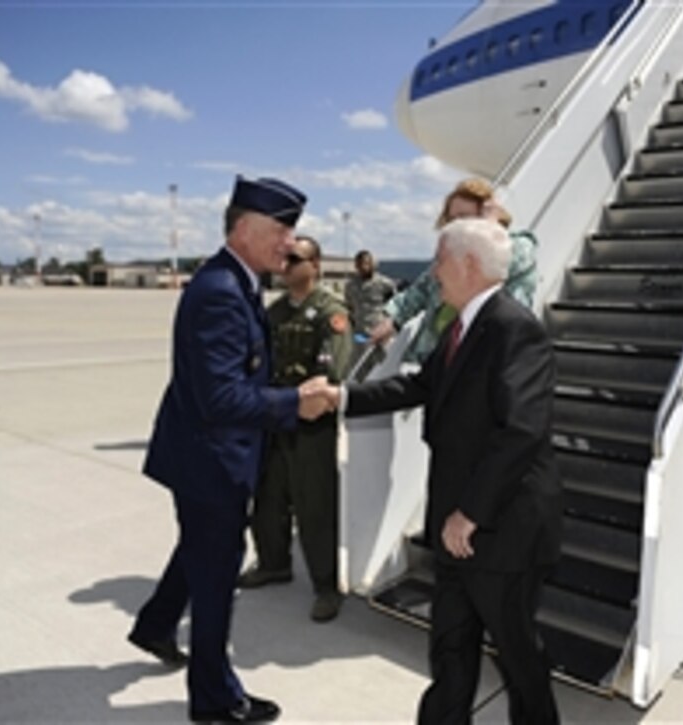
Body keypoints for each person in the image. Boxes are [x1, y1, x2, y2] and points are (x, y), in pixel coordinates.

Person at [306, 217, 562, 723]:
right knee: (450, 644)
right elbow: (417, 387)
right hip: (456, 520)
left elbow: (521, 432)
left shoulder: (515, 329)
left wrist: (470, 512)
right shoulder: (459, 328)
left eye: (440, 261)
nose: (434, 272)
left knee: (518, 656)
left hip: (501, 526)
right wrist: (341, 397)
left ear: (469, 264)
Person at [127, 175, 328, 724]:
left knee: (199, 549)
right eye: (281, 229)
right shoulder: (220, 290)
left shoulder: (236, 280)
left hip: (205, 454)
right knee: (216, 579)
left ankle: (155, 625)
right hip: (209, 459)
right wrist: (294, 403)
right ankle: (215, 699)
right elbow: (221, 397)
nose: (289, 241)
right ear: (243, 228)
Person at [238, 235, 353, 622]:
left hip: (311, 423)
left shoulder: (330, 311)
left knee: (314, 504)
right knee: (268, 496)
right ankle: (273, 563)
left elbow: (334, 368)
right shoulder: (274, 314)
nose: (285, 265)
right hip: (274, 417)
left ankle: (326, 586)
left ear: (315, 265)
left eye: (295, 258)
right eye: (284, 258)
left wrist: (308, 401)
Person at [370, 178, 537, 364]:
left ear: (486, 215)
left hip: (476, 364)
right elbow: (420, 290)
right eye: (451, 219)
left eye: (464, 217)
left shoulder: (518, 247)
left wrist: (488, 230)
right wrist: (393, 320)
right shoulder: (450, 256)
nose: (455, 225)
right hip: (429, 358)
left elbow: (505, 264)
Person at [344, 250, 397, 362]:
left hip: (379, 331)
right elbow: (349, 307)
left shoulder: (385, 284)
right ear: (356, 266)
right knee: (359, 365)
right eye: (361, 264)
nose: (364, 267)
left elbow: (394, 304)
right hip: (360, 333)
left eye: (367, 263)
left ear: (373, 264)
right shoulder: (350, 286)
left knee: (382, 363)